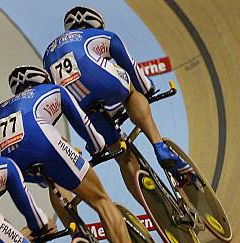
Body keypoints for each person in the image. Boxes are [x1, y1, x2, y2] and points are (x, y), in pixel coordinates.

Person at [0, 65, 154, 243]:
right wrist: (97, 148)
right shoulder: (53, 90)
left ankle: (78, 234)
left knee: (53, 180)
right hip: (45, 147)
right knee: (101, 201)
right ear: (43, 80)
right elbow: (83, 124)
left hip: (15, 162)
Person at [42, 5, 195, 197]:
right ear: (96, 25)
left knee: (121, 155)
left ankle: (156, 211)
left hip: (81, 106)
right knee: (132, 92)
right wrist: (145, 91)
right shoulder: (99, 35)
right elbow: (134, 73)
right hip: (103, 83)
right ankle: (159, 146)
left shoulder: (49, 52)